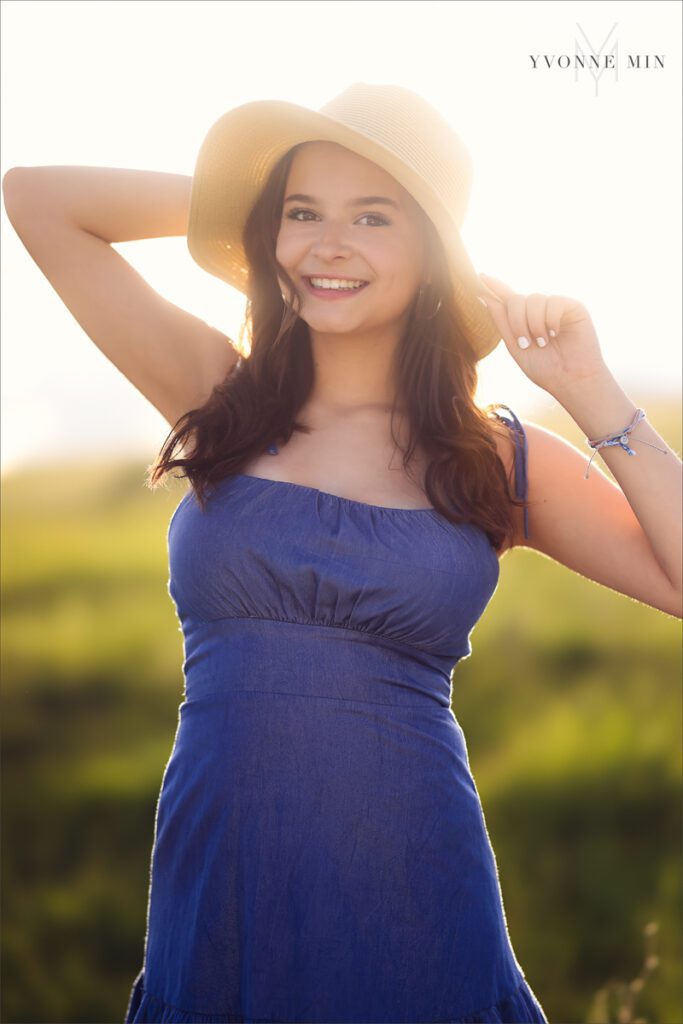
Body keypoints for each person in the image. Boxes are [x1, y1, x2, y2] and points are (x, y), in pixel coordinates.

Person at [3, 82, 681, 1024]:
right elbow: (38, 198)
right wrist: (239, 202)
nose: (327, 244)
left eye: (373, 215)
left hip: (411, 880)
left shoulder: (495, 456)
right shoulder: (221, 397)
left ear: (433, 252)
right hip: (222, 872)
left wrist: (590, 388)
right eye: (301, 212)